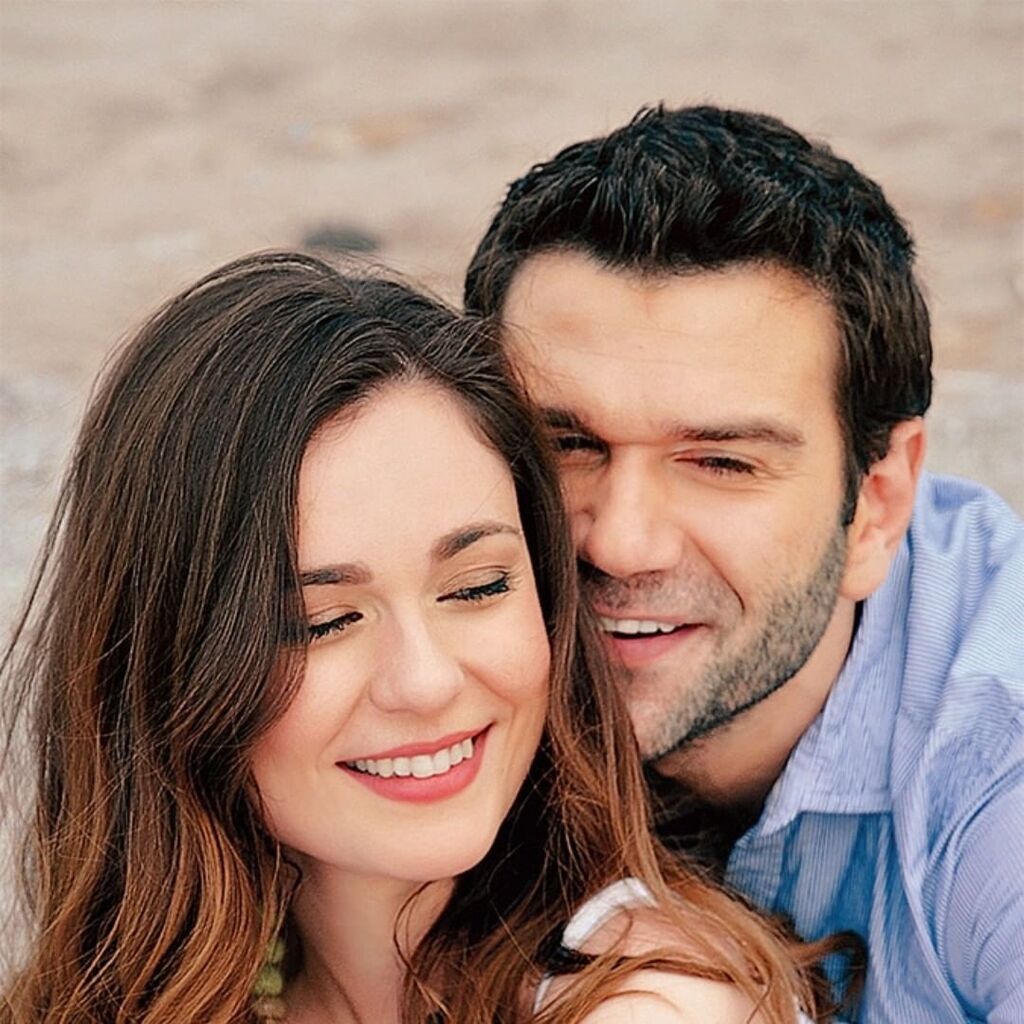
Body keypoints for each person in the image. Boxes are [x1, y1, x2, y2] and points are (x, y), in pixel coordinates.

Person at [0, 252, 841, 1023]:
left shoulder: (651, 1005)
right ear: (170, 662)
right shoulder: (181, 987)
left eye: (477, 587)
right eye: (325, 622)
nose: (427, 681)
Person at [464, 104, 1024, 1022]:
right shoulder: (408, 656)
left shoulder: (998, 772)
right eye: (565, 445)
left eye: (721, 463)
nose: (620, 542)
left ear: (876, 506)